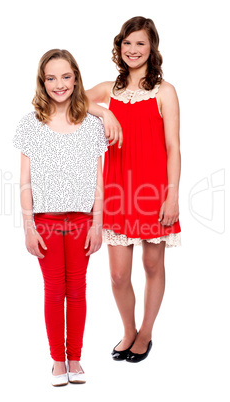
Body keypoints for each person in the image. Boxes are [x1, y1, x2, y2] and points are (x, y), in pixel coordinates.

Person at [86, 16, 181, 363]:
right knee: (117, 274)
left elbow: (173, 147)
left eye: (140, 43)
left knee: (153, 265)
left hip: (154, 190)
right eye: (127, 43)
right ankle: (128, 329)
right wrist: (103, 112)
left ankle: (146, 332)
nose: (133, 50)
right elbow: (64, 100)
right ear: (119, 46)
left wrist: (172, 195)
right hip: (117, 189)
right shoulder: (107, 88)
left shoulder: (165, 91)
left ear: (151, 47)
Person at [13, 49, 108, 386]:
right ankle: (57, 360)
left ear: (76, 78)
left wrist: (98, 224)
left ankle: (76, 358)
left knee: (77, 290)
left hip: (83, 220)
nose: (59, 84)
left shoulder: (91, 124)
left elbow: (99, 181)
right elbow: (24, 181)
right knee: (54, 290)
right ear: (43, 81)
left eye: (66, 77)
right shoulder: (31, 123)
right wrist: (28, 228)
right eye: (51, 78)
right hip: (46, 221)